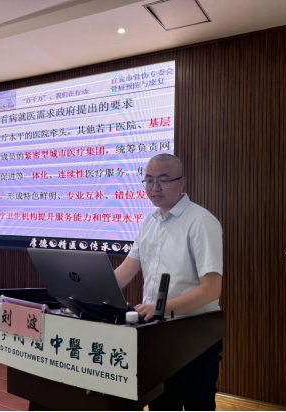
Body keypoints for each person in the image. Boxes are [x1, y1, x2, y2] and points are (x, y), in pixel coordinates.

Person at [114, 153, 223, 411]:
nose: (155, 187)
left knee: (197, 404)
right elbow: (127, 268)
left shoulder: (201, 222)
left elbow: (211, 289)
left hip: (194, 334)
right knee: (161, 403)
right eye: (149, 180)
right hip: (157, 332)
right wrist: (90, 292)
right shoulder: (149, 222)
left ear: (181, 182)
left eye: (163, 180)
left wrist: (161, 308)